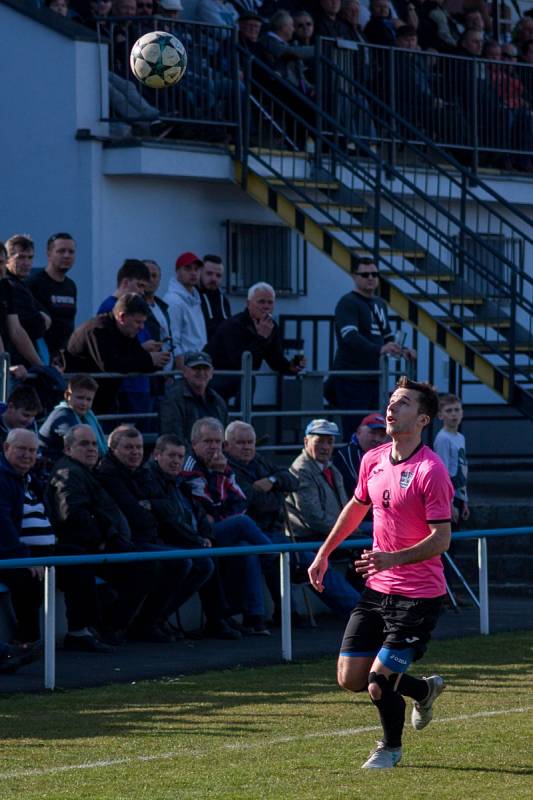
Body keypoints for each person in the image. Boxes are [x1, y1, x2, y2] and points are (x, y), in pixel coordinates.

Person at [308, 376, 454, 769]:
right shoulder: (372, 458)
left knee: (377, 682)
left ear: (423, 419)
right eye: (391, 401)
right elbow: (356, 508)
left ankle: (389, 749)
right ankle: (422, 689)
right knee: (350, 678)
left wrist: (393, 558)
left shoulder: (431, 470)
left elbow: (442, 539)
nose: (391, 408)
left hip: (419, 595)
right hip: (377, 590)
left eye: (402, 403)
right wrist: (324, 553)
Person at [0, 428, 113, 652]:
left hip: (41, 550)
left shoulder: (29, 479)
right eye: (21, 449)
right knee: (28, 576)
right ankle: (26, 640)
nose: (27, 455)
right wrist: (23, 557)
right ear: (6, 448)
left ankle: (79, 632)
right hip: (12, 554)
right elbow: (2, 524)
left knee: (79, 560)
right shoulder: (2, 479)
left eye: (32, 450)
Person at [46, 424, 157, 644]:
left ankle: (109, 626)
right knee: (144, 568)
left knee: (150, 565)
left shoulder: (84, 472)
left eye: (94, 444)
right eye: (84, 444)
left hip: (103, 544)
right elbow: (73, 515)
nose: (91, 449)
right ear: (68, 449)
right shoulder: (68, 473)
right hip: (89, 548)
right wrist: (104, 541)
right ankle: (103, 627)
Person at [96, 424, 203, 642]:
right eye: (128, 447)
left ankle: (153, 620)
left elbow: (170, 509)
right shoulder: (109, 474)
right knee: (175, 562)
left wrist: (151, 506)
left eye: (138, 447)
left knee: (204, 563)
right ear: (113, 449)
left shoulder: (141, 473)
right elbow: (136, 514)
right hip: (127, 542)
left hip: (149, 538)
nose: (135, 452)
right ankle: (128, 624)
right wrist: (152, 510)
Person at [182, 417, 274, 634]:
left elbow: (241, 501)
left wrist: (220, 477)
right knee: (242, 524)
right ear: (194, 444)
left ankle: (254, 618)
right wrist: (218, 477)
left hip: (221, 527)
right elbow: (205, 504)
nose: (213, 447)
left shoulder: (222, 465)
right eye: (207, 441)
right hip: (200, 534)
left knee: (248, 550)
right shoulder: (190, 466)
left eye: (217, 441)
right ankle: (274, 555)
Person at [146, 434, 241, 640]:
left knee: (211, 555)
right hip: (167, 541)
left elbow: (198, 512)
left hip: (188, 540)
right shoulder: (151, 480)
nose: (176, 461)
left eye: (180, 456)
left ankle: (217, 618)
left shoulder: (179, 481)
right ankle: (152, 620)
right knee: (197, 562)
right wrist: (197, 540)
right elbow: (169, 520)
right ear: (156, 455)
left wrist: (204, 535)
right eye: (171, 455)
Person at [328, 256, 415, 440]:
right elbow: (349, 336)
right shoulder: (348, 302)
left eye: (374, 274)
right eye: (365, 274)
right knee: (355, 430)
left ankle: (370, 467)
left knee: (376, 430)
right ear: (354, 276)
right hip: (351, 377)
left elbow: (387, 337)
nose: (370, 278)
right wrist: (379, 350)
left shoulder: (379, 303)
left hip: (375, 378)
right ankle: (353, 467)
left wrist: (402, 349)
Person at [287, 419, 362, 618]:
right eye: (319, 441)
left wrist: (350, 527)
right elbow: (314, 518)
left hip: (332, 534)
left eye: (329, 441)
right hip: (308, 539)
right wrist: (347, 530)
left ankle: (379, 601)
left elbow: (346, 507)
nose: (326, 447)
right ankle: (358, 608)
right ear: (306, 442)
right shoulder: (301, 470)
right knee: (360, 545)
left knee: (377, 540)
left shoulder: (331, 468)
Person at [65, 293, 170, 413]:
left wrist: (156, 360)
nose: (141, 327)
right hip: (80, 402)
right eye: (137, 322)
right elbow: (110, 364)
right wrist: (149, 360)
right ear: (122, 317)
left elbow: (134, 357)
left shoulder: (127, 331)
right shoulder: (98, 330)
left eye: (143, 323)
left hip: (102, 400)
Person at [206, 282, 306, 402]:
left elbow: (275, 360)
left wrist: (292, 366)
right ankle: (242, 418)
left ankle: (243, 418)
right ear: (248, 304)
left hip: (240, 376)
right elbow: (241, 362)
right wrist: (261, 337)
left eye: (270, 302)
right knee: (247, 380)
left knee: (247, 379)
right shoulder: (234, 325)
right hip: (213, 374)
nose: (266, 306)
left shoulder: (270, 325)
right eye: (261, 302)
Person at [159, 350, 228, 449]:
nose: (201, 373)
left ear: (212, 373)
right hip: (185, 458)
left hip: (214, 457)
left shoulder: (218, 401)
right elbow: (173, 440)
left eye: (205, 368)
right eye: (196, 368)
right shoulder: (172, 400)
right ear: (185, 372)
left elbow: (224, 436)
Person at [26, 233, 78, 360]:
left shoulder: (71, 286)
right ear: (49, 254)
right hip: (39, 355)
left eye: (71, 252)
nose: (67, 255)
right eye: (61, 251)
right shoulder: (34, 282)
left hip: (62, 357)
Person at [4, 234, 51, 366]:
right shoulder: (11, 286)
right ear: (7, 260)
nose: (27, 263)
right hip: (17, 363)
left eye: (30, 257)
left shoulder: (21, 284)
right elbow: (35, 326)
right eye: (20, 257)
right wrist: (42, 319)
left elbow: (44, 314)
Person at [39, 374, 108, 463]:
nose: (84, 403)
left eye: (88, 399)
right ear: (67, 395)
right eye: (80, 398)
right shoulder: (63, 414)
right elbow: (80, 444)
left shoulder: (88, 416)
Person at [164, 252, 207, 370]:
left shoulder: (195, 300)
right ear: (177, 272)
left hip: (199, 364)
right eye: (187, 268)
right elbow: (173, 340)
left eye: (196, 269)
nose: (193, 273)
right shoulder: (173, 301)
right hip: (185, 370)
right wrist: (182, 370)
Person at [433, 393, 469, 528]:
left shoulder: (460, 437)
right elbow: (443, 473)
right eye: (449, 411)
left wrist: (465, 500)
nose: (454, 414)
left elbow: (463, 468)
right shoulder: (443, 439)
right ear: (440, 415)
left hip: (459, 495)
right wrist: (449, 503)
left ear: (462, 413)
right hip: (449, 498)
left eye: (457, 410)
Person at [333, 412, 388, 497]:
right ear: (359, 432)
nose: (377, 439)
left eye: (382, 435)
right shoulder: (347, 454)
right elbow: (362, 491)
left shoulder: (384, 455)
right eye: (372, 433)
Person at [198, 255, 232, 341]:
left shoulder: (223, 300)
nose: (214, 279)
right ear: (200, 272)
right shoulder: (193, 298)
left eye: (218, 275)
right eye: (209, 273)